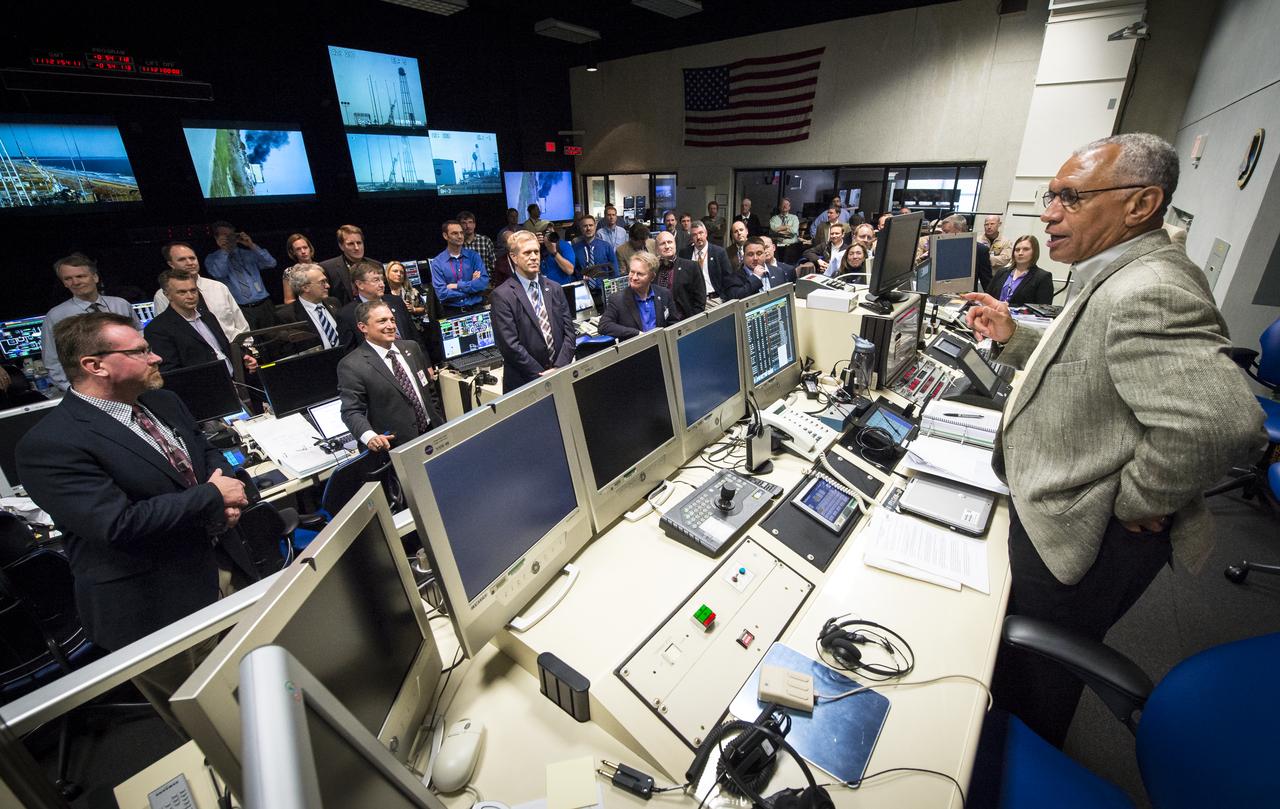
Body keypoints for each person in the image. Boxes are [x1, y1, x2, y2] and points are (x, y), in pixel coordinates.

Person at [963, 133, 1265, 748]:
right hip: (1072, 510)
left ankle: (1005, 768)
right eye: (1050, 197)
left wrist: (1136, 500)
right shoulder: (1113, 268)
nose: (1048, 212)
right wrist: (1014, 338)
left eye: (1070, 198)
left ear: (1140, 204)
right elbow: (1091, 365)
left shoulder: (1148, 286)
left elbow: (1223, 421)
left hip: (1088, 533)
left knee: (1034, 677)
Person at [17, 312, 253, 730]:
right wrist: (212, 496)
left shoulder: (163, 401)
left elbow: (205, 450)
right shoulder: (50, 443)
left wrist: (224, 487)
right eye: (141, 351)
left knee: (257, 688)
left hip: (222, 567)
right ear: (95, 365)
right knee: (215, 724)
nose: (156, 356)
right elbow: (116, 524)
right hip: (155, 602)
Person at [337, 300, 443, 452]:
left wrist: (438, 420)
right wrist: (370, 437)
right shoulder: (351, 365)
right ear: (363, 327)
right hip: (396, 447)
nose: (391, 326)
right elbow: (351, 411)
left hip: (433, 435)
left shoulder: (411, 348)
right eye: (382, 321)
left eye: (392, 320)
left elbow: (428, 390)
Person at [490, 231, 577, 394]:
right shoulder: (502, 296)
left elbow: (570, 333)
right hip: (526, 382)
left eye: (536, 252)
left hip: (560, 376)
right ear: (514, 257)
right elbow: (510, 346)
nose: (533, 257)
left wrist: (559, 367)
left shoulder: (555, 288)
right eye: (527, 252)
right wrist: (541, 376)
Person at [41, 253, 140, 391]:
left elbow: (140, 339)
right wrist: (72, 389)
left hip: (132, 380)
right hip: (90, 388)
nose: (75, 282)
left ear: (95, 277)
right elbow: (52, 360)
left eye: (80, 276)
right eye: (68, 278)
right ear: (64, 283)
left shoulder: (121, 305)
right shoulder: (56, 316)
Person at [145, 270, 257, 376]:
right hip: (204, 389)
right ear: (167, 295)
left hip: (236, 379)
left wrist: (243, 358)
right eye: (182, 292)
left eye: (193, 290)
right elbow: (171, 372)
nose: (190, 296)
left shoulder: (208, 316)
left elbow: (223, 347)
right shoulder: (157, 328)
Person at [152, 242, 249, 341]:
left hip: (235, 348)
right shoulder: (163, 295)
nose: (190, 263)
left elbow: (241, 324)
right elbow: (166, 331)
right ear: (171, 264)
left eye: (192, 258)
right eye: (182, 259)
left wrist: (246, 348)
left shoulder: (218, 287)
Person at [337, 261, 432, 363]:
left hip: (410, 361)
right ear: (360, 284)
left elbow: (414, 335)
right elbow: (351, 353)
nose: (382, 284)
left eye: (382, 280)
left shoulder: (396, 301)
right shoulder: (347, 314)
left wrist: (426, 363)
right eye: (376, 280)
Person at [203, 221, 277, 330]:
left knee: (276, 338)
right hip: (241, 309)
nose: (229, 238)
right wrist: (225, 250)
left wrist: (252, 245)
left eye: (231, 235)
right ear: (217, 238)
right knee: (252, 343)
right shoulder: (213, 258)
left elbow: (271, 263)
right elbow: (218, 273)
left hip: (264, 304)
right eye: (225, 236)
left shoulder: (249, 253)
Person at [599, 252, 675, 340]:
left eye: (640, 274)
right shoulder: (618, 299)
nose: (634, 277)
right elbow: (604, 326)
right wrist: (636, 334)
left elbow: (673, 323)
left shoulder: (664, 294)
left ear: (652, 277)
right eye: (632, 272)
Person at [430, 220, 489, 316]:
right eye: (455, 233)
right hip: (452, 312)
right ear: (445, 236)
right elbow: (442, 294)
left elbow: (482, 284)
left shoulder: (473, 256)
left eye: (461, 233)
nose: (460, 236)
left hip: (476, 309)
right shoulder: (438, 262)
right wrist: (472, 288)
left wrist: (456, 286)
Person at [282, 264, 344, 351]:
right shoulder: (287, 316)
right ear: (306, 287)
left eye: (326, 281)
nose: (327, 286)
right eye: (322, 282)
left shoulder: (334, 302)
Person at [319, 224, 378, 305]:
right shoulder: (327, 268)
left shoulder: (376, 265)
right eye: (351, 244)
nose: (357, 248)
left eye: (359, 243)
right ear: (341, 246)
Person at [680, 220, 740, 300]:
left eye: (701, 233)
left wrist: (723, 298)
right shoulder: (684, 253)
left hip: (713, 299)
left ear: (706, 233)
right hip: (692, 301)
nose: (698, 237)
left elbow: (728, 278)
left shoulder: (719, 252)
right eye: (694, 235)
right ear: (691, 237)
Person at [986, 235, 1054, 305]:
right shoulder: (1001, 272)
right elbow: (988, 296)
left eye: (1026, 249)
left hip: (1017, 315)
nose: (1020, 253)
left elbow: (1043, 308)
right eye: (1017, 250)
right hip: (993, 314)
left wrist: (1009, 306)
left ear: (1034, 252)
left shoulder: (1043, 277)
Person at [653, 231, 705, 321]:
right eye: (662, 244)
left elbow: (700, 301)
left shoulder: (691, 267)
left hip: (685, 322)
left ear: (675, 245)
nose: (667, 246)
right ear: (657, 249)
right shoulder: (653, 270)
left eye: (670, 242)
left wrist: (692, 324)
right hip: (659, 324)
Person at [940, 214, 992, 291]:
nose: (942, 235)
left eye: (946, 232)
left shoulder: (979, 250)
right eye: (942, 231)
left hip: (967, 297)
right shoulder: (940, 248)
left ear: (960, 231)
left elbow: (987, 282)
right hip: (941, 295)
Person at [572, 214, 619, 279]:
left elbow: (615, 270)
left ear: (595, 226)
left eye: (591, 225)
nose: (588, 228)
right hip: (583, 286)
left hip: (603, 287)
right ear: (580, 228)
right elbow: (572, 272)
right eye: (585, 226)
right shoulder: (574, 249)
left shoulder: (606, 246)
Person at [280, 233, 316, 304]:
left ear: (310, 248)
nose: (303, 251)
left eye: (305, 247)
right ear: (293, 252)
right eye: (298, 249)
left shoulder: (322, 267)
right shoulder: (289, 272)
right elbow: (289, 300)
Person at [769, 197, 801, 263]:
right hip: (777, 247)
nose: (785, 206)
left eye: (787, 204)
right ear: (779, 207)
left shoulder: (794, 218)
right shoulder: (774, 218)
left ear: (789, 207)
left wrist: (779, 231)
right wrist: (787, 227)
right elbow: (773, 229)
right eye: (783, 204)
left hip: (791, 247)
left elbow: (793, 231)